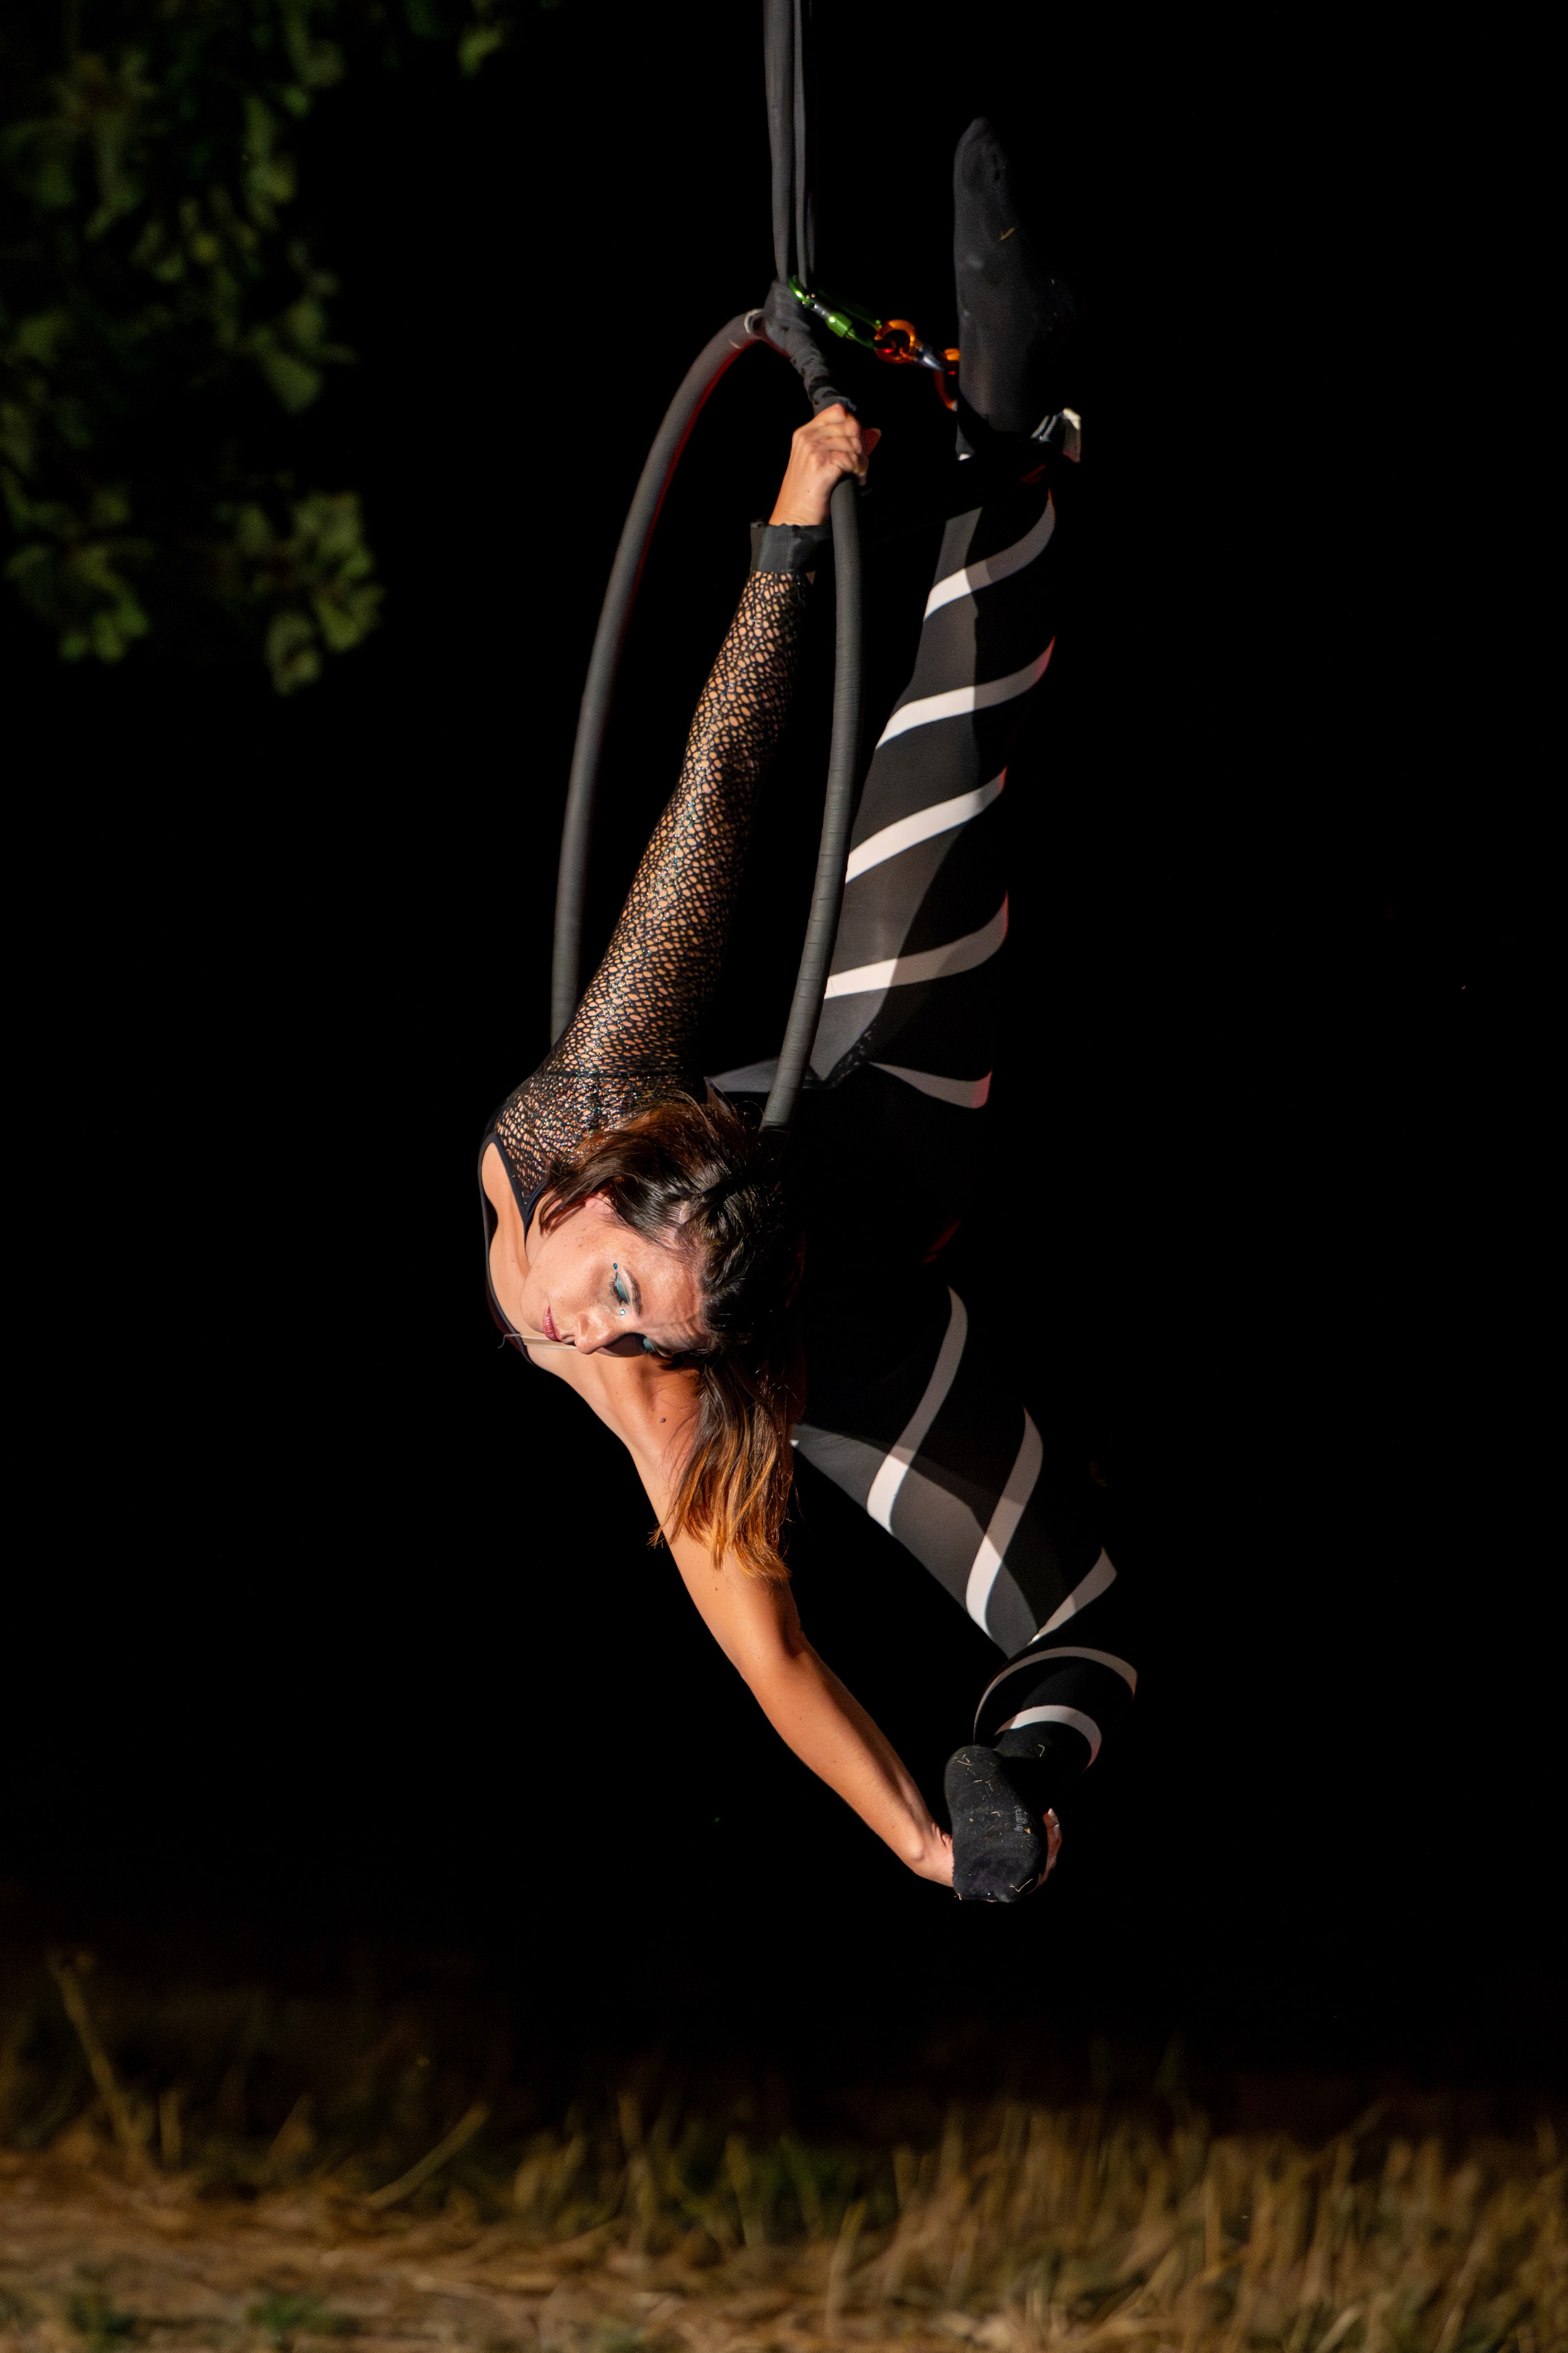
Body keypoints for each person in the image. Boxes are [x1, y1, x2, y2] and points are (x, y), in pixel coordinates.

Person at [478, 121, 1134, 1902]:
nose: (600, 1328)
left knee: (908, 798)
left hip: (817, 1215)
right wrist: (782, 529)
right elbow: (714, 793)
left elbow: (771, 1667)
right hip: (886, 1137)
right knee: (1084, 1618)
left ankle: (1001, 405)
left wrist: (931, 1833)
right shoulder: (600, 1156)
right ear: (606, 1183)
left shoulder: (656, 1304)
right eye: (627, 1299)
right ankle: (1011, 431)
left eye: (627, 1321)